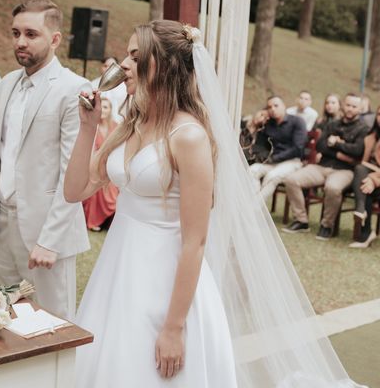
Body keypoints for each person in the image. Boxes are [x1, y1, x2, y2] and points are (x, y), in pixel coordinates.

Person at [66, 21, 364, 388]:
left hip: (166, 284)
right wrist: (87, 127)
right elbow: (76, 189)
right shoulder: (131, 124)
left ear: (165, 66)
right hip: (116, 273)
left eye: (136, 56)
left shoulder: (188, 135)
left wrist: (174, 327)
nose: (125, 65)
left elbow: (195, 241)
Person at [0, 0, 90, 320]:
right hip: (5, 224)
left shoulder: (74, 89)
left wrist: (50, 239)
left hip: (47, 229)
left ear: (54, 39)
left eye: (31, 34)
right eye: (15, 33)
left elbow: (72, 173)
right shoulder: (6, 84)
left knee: (53, 322)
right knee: (7, 318)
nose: (20, 42)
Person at [283, 93, 368, 240]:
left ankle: (327, 225)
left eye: (354, 106)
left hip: (345, 170)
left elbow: (357, 151)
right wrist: (340, 152)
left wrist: (336, 143)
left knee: (333, 188)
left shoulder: (363, 129)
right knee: (291, 180)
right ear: (343, 106)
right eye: (348, 105)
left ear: (360, 109)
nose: (350, 109)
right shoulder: (332, 124)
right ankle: (301, 220)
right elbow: (320, 146)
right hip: (321, 167)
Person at [249, 96, 307, 200]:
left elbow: (298, 148)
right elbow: (260, 145)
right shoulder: (268, 124)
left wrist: (274, 158)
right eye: (269, 107)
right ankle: (254, 204)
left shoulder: (297, 121)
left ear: (284, 106)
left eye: (276, 105)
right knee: (252, 171)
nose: (273, 109)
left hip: (292, 162)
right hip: (271, 162)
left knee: (271, 176)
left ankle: (253, 210)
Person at [82, 97, 119, 231]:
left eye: (106, 107)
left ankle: (110, 220)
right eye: (101, 107)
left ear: (110, 110)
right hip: (94, 165)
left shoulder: (115, 127)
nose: (103, 110)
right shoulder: (93, 126)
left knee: (113, 188)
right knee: (96, 187)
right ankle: (94, 221)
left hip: (111, 165)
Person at [350, 105, 380, 247]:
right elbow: (363, 161)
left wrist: (374, 180)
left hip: (376, 180)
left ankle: (366, 232)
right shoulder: (371, 137)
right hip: (368, 176)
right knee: (361, 172)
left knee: (367, 185)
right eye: (379, 114)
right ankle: (362, 212)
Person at [91, 56, 127, 123]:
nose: (108, 68)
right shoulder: (93, 84)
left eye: (111, 66)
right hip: (97, 123)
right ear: (101, 67)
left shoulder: (124, 86)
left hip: (118, 123)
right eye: (105, 66)